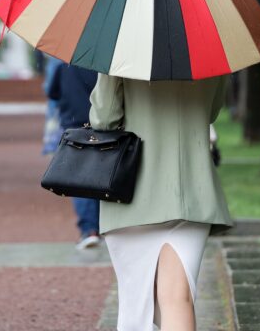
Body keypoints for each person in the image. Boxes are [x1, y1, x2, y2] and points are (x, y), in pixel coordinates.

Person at [89, 74, 231, 331]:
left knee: (136, 306)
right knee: (177, 299)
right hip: (193, 188)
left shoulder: (122, 49)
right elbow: (210, 111)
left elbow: (104, 118)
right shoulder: (213, 45)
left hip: (134, 193)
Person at [47, 63, 100, 250]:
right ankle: (102, 227)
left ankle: (89, 229)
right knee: (100, 177)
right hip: (98, 127)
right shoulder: (100, 66)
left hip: (72, 127)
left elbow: (52, 93)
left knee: (78, 181)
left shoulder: (63, 67)